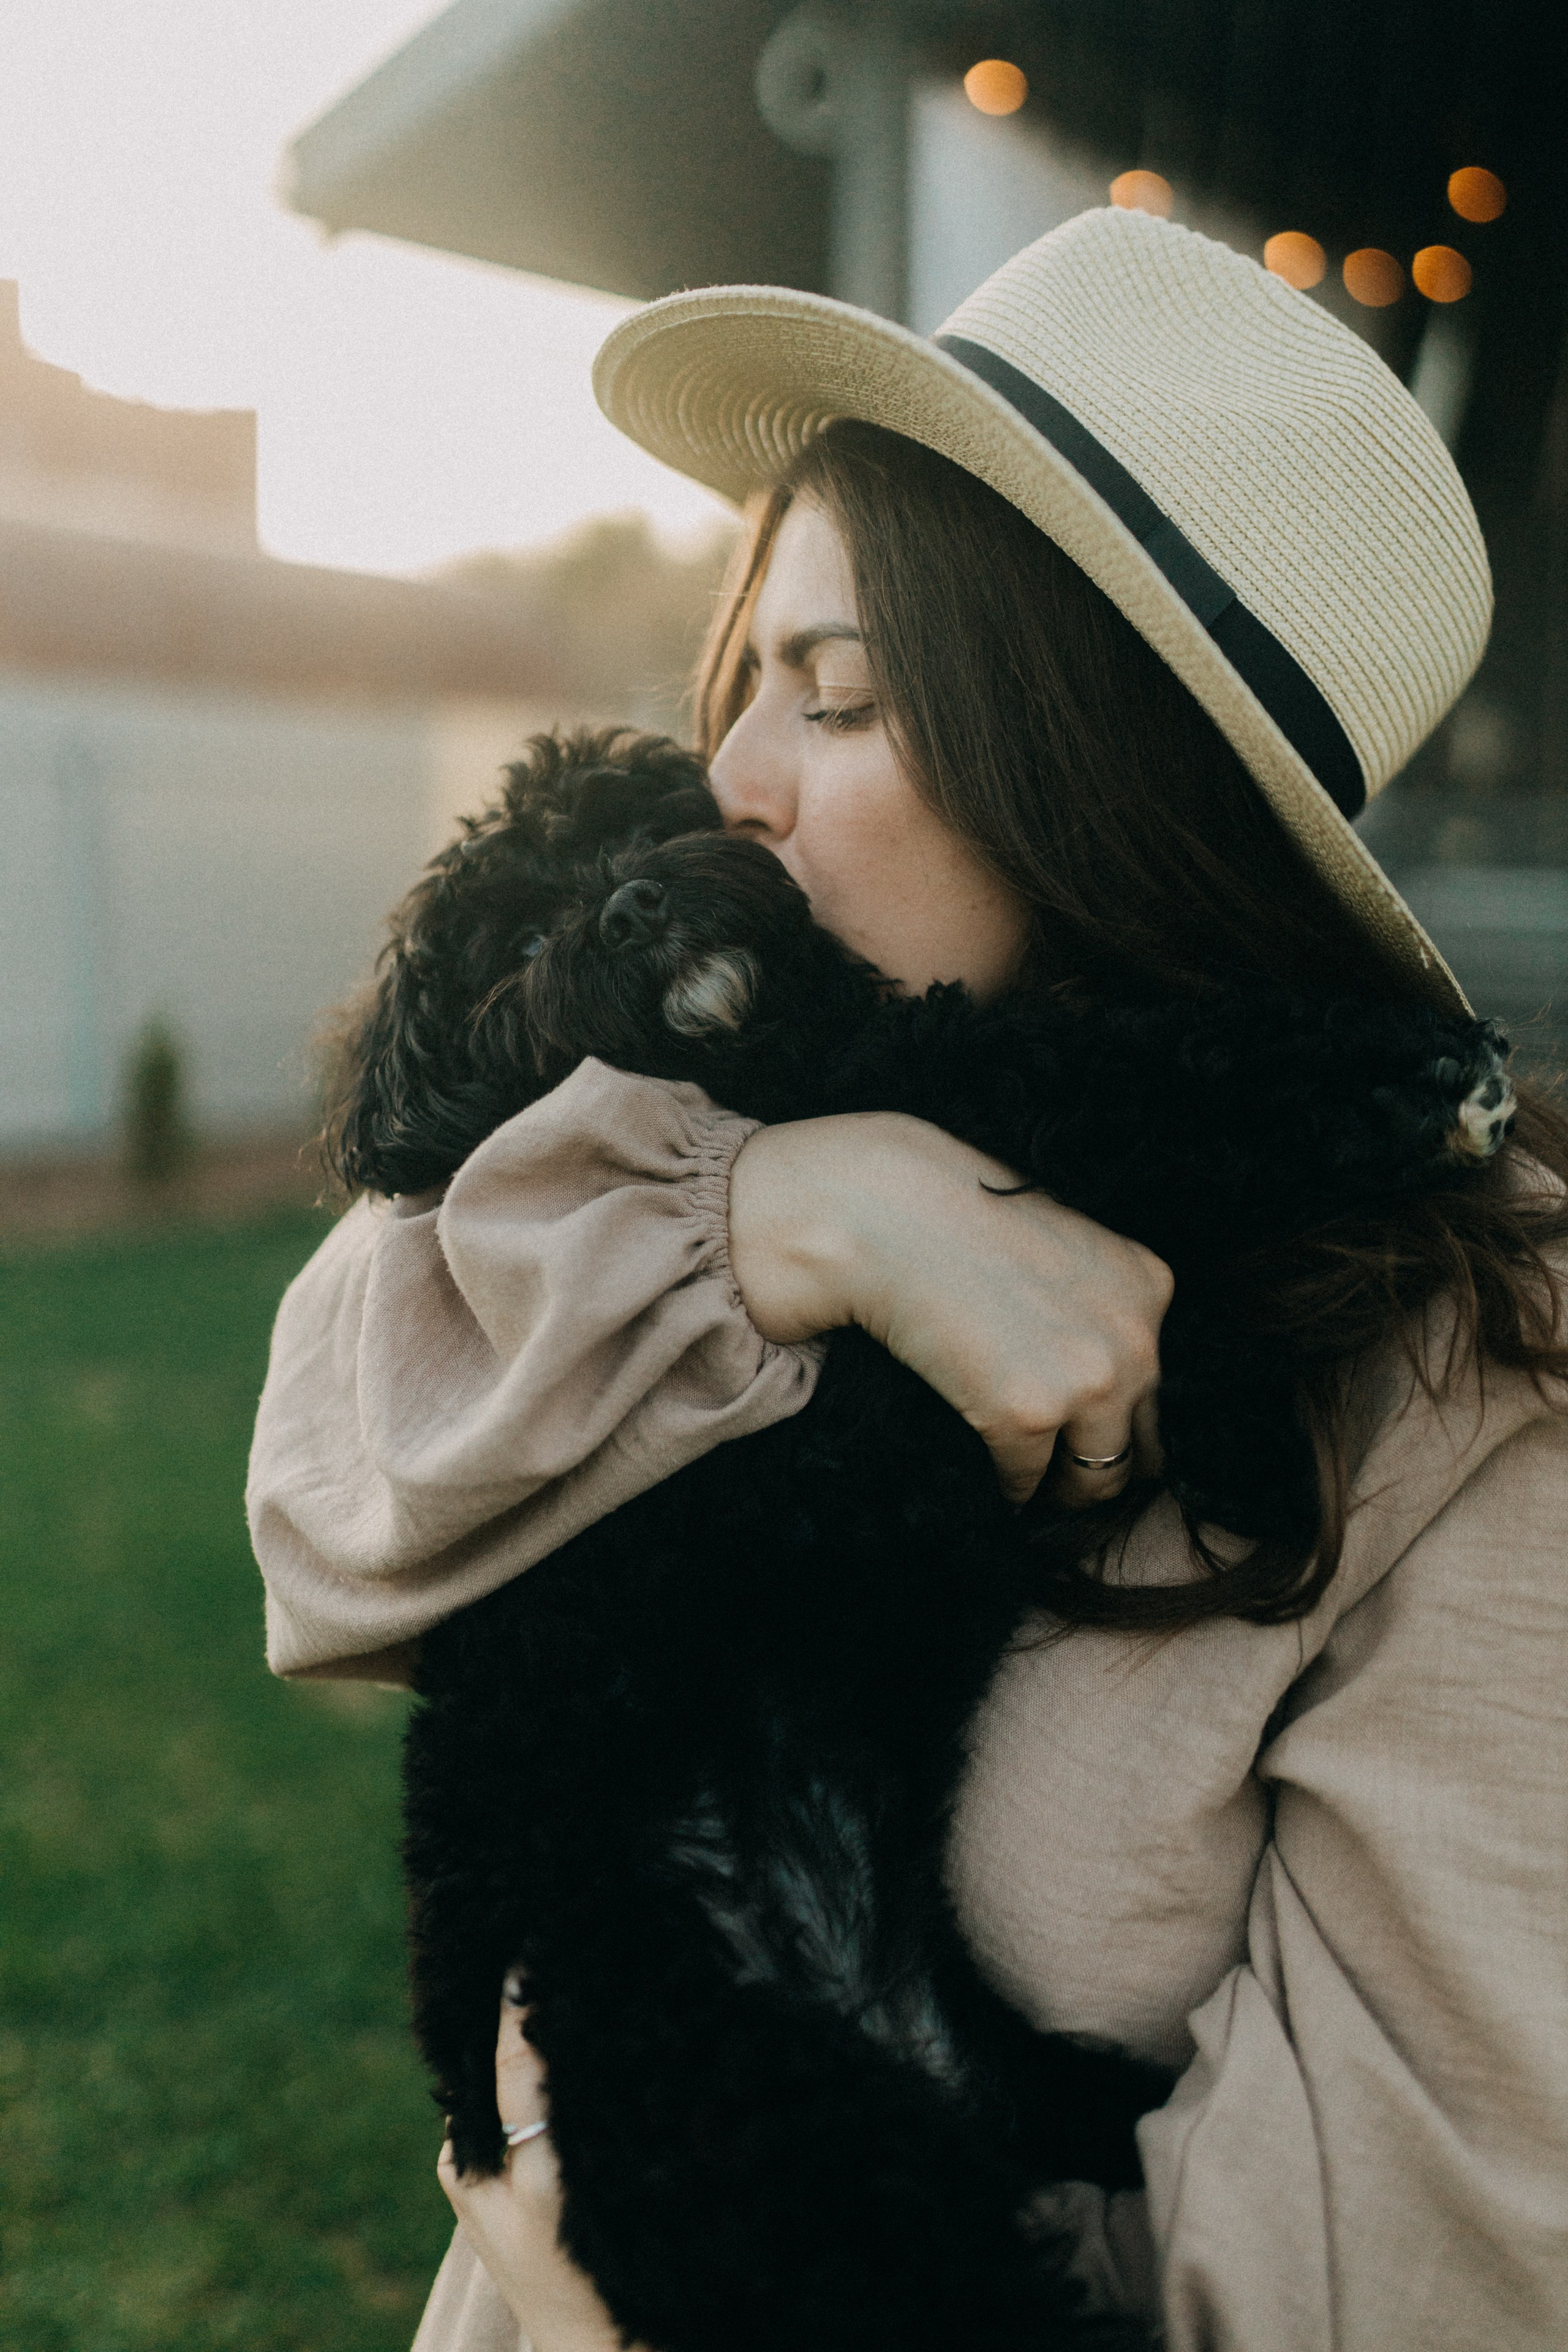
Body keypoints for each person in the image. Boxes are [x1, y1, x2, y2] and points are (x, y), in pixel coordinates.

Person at [247, 208, 1568, 2352]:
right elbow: (328, 1509)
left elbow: (1408, 2278)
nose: (735, 785)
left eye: (840, 701)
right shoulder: (707, 1131)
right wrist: (793, 1221)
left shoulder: (1471, 1401)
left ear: (1105, 786)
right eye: (742, 679)